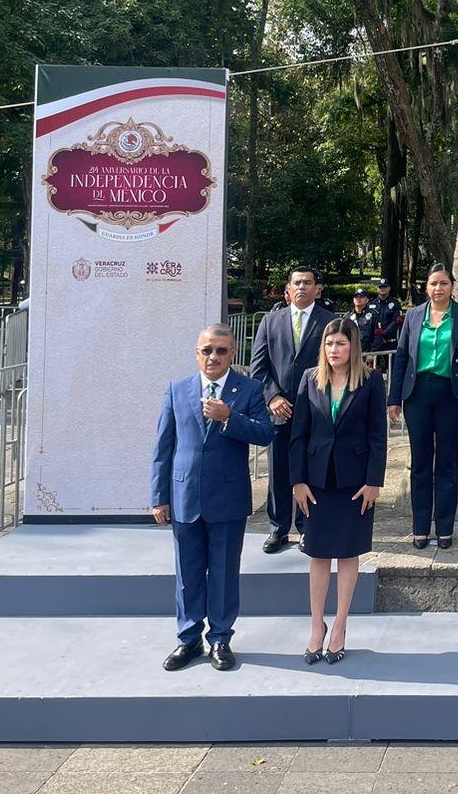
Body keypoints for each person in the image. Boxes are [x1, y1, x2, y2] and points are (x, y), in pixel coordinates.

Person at [150, 324, 274, 673]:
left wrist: (230, 418)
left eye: (221, 350)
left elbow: (265, 434)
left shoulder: (248, 389)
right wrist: (159, 496)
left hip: (227, 497)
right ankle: (188, 639)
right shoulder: (177, 390)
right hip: (185, 495)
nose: (214, 357)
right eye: (207, 350)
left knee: (222, 573)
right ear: (197, 352)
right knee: (187, 573)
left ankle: (220, 638)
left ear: (233, 353)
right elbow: (164, 447)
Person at [289, 317, 386, 664]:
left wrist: (374, 481)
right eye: (329, 344)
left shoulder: (372, 381)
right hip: (316, 483)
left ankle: (341, 626)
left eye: (341, 344)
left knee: (348, 554)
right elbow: (298, 434)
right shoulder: (308, 379)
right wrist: (297, 481)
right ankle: (317, 626)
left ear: (353, 346)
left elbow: (378, 434)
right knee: (318, 555)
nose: (334, 350)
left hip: (355, 483)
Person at [389, 264, 458, 549]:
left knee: (446, 462)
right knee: (420, 462)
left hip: (451, 395)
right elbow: (402, 357)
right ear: (425, 287)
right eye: (433, 284)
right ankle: (420, 528)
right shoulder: (414, 316)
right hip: (417, 394)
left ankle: (444, 528)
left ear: (452, 286)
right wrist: (394, 398)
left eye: (443, 283)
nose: (438, 288)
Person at [248, 266, 329, 553]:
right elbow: (258, 369)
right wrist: (272, 398)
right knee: (279, 471)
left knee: (311, 472)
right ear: (289, 287)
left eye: (308, 282)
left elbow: (336, 366)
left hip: (315, 411)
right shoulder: (271, 322)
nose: (302, 287)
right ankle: (278, 528)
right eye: (297, 282)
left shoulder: (330, 322)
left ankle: (308, 528)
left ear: (317, 289)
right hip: (279, 411)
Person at [367, 278, 403, 354]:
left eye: (385, 287)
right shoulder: (371, 304)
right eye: (380, 287)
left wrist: (384, 333)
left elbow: (396, 321)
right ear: (377, 289)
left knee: (390, 365)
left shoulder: (395, 304)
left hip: (390, 341)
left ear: (389, 288)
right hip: (374, 342)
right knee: (373, 365)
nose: (382, 289)